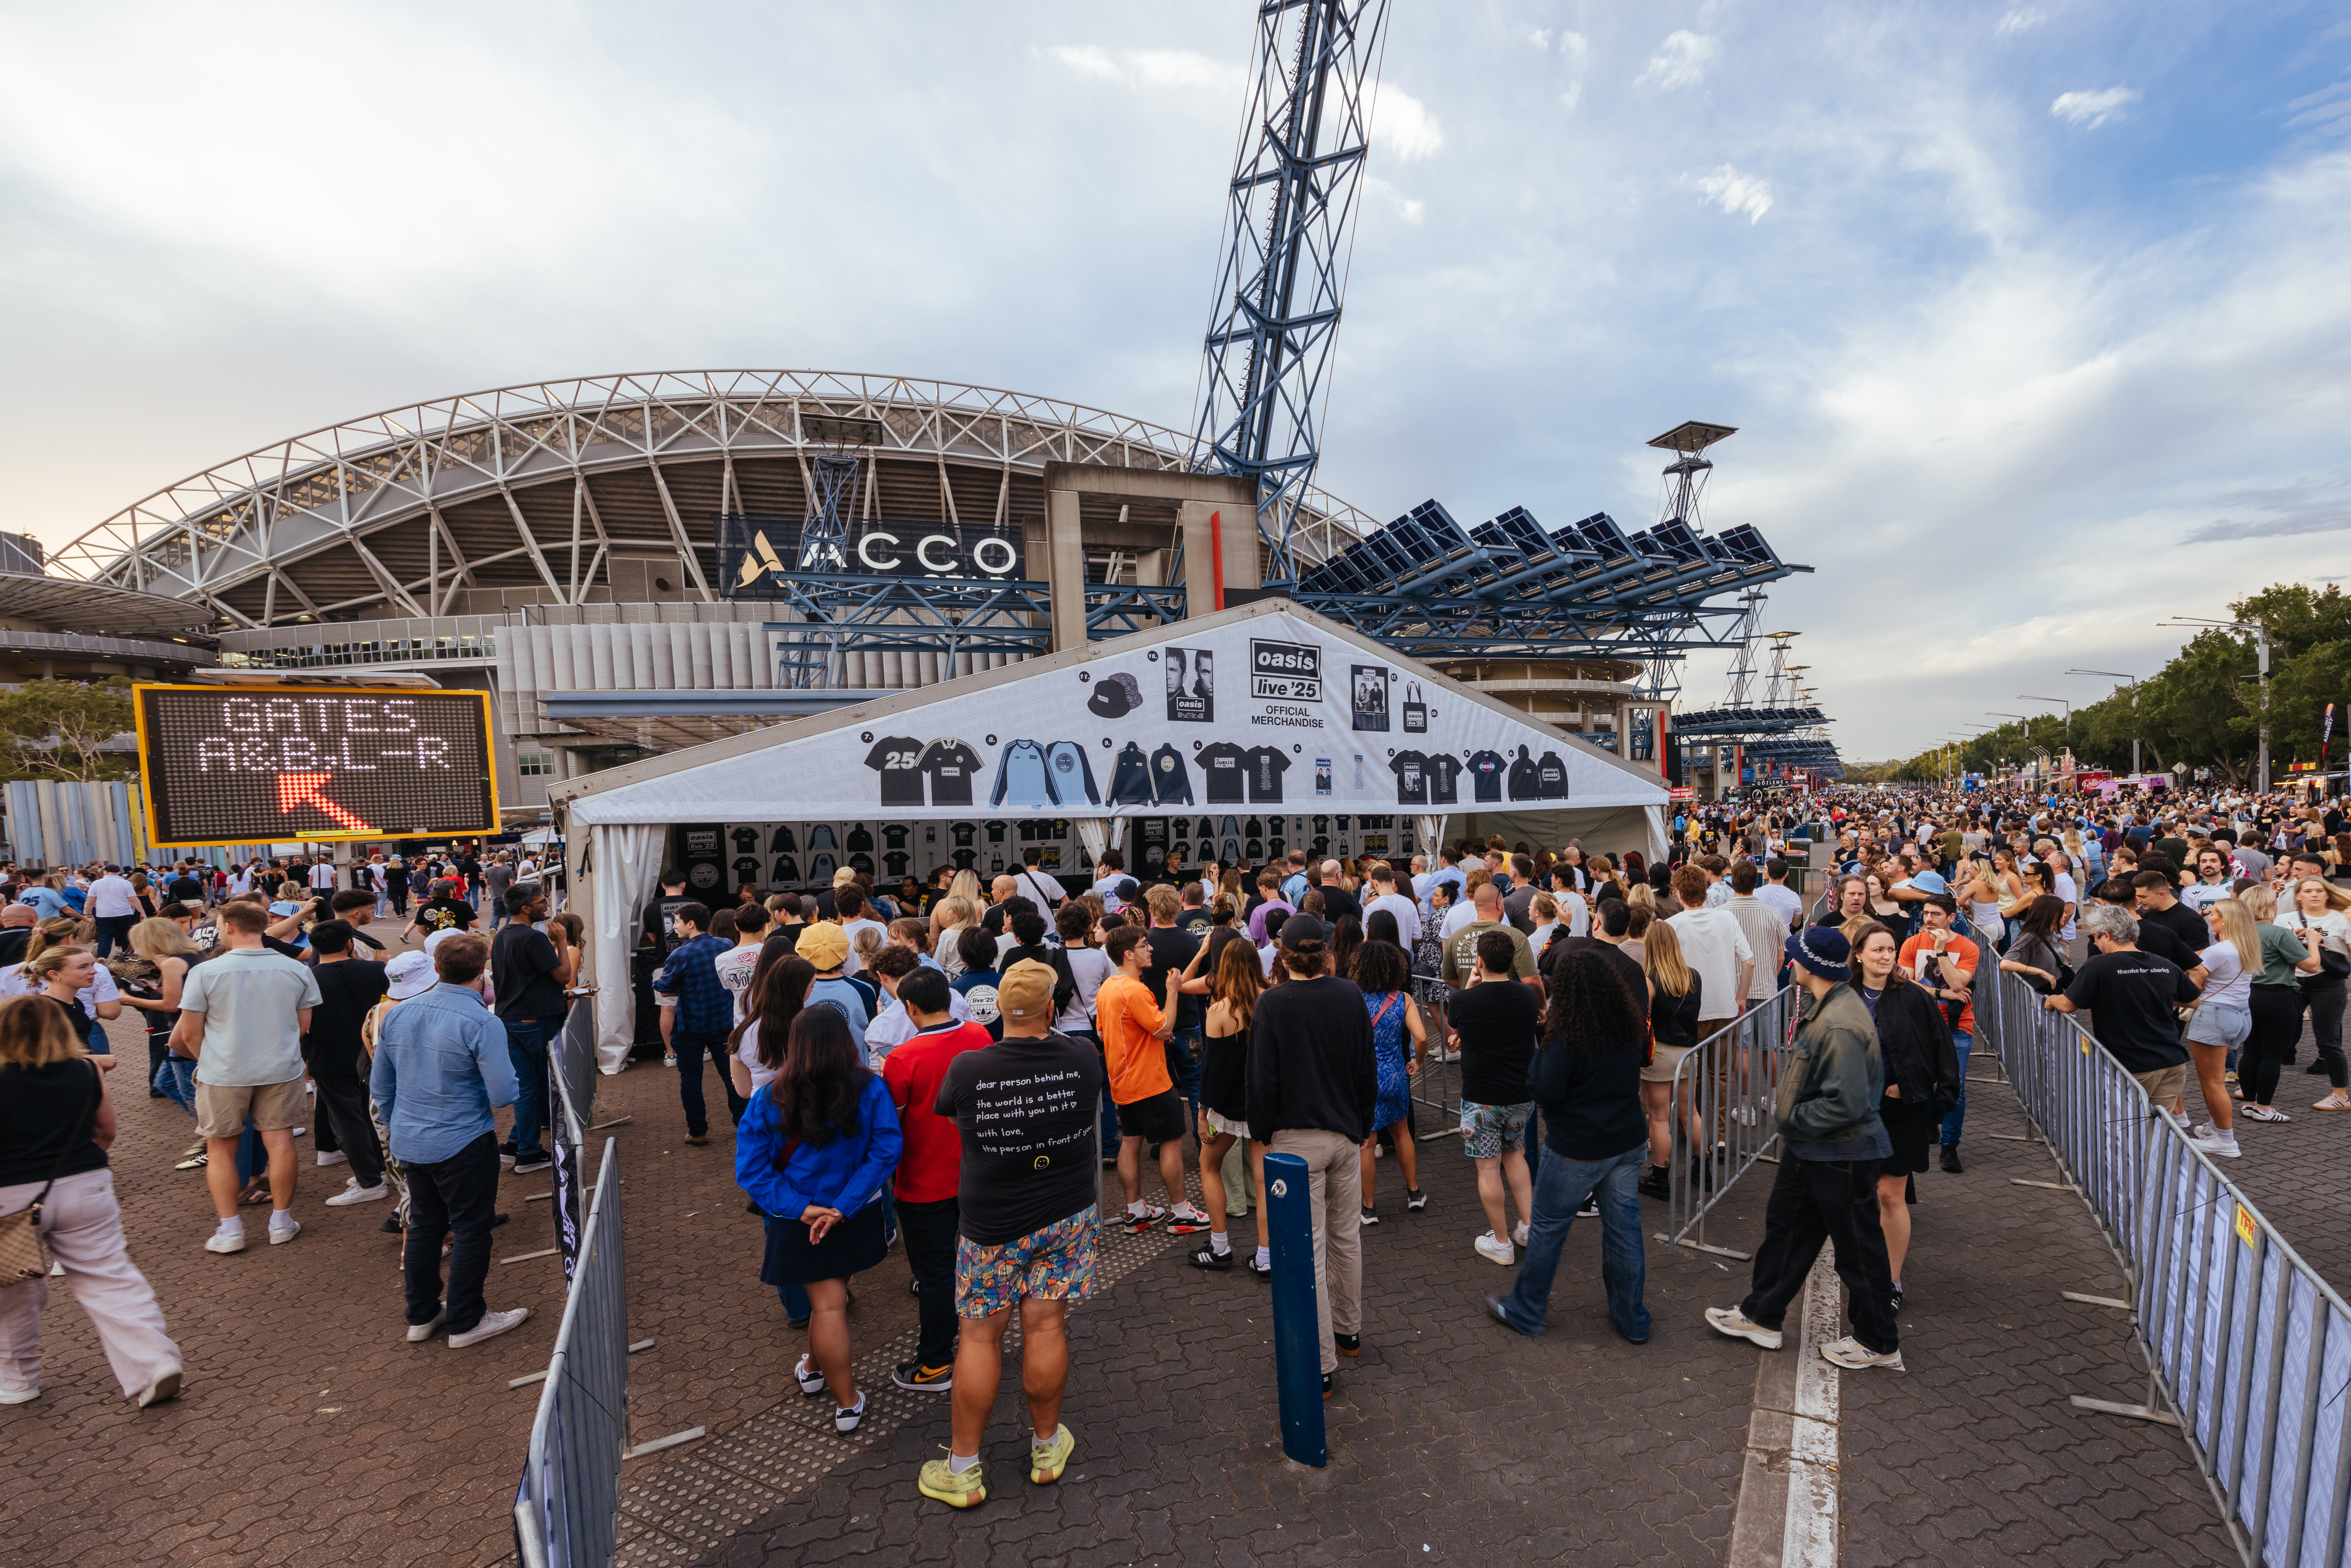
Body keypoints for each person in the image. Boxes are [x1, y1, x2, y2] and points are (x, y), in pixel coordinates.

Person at [917, 960, 1103, 1507]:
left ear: (998, 1008)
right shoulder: (1082, 1057)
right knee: (1046, 1328)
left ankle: (965, 1469)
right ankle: (1046, 1449)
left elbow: (951, 1115)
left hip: (992, 1225)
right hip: (1068, 1215)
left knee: (979, 1336)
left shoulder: (969, 1067)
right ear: (1052, 1008)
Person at [1706, 925, 1903, 1372]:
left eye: (1795, 955)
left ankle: (1879, 1341)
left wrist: (1792, 1120)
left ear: (1812, 965)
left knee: (1857, 1247)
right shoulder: (1831, 1007)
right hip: (1816, 1149)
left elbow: (1848, 1103)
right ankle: (1761, 1316)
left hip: (1839, 1151)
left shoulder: (1838, 1022)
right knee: (1787, 1230)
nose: (1789, 960)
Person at [0, 995, 182, 1408]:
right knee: (109, 1277)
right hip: (84, 1181)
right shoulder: (85, 1068)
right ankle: (153, 1364)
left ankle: (17, 1379)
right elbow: (107, 1130)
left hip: (9, 1195)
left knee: (11, 1291)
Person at [738, 1007, 900, 1436]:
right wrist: (843, 1206)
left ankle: (841, 1396)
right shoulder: (871, 1088)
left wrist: (803, 1209)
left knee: (826, 1304)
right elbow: (885, 1151)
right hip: (855, 1214)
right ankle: (822, 1377)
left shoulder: (770, 1098)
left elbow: (752, 1171)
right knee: (831, 1298)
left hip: (797, 1220)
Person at [371, 933, 533, 1347]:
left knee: (425, 1225)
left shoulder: (397, 1014)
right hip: (462, 1139)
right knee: (471, 1228)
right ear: (482, 973)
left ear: (437, 968)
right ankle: (466, 1318)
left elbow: (382, 1087)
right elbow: (502, 1093)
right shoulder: (482, 1021)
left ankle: (422, 1314)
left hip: (412, 1138)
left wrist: (399, 1125)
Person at [1488, 947, 1652, 1341]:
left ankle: (1527, 1309)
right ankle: (1631, 1318)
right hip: (1627, 1139)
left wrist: (1542, 1048)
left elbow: (1544, 1087)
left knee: (1547, 1226)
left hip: (1579, 1146)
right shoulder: (1627, 1024)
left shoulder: (1568, 1035)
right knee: (1623, 1229)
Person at [1246, 916, 1377, 1396]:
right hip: (1345, 1134)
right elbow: (1366, 1069)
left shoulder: (1272, 1003)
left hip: (1295, 1141)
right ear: (1327, 953)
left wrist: (1262, 1132)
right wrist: (1364, 1126)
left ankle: (1321, 1363)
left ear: (1281, 956)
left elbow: (1262, 1079)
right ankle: (1348, 1331)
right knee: (1346, 1238)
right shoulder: (1348, 995)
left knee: (1310, 1249)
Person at [172, 901, 320, 1254]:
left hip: (223, 1072)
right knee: (281, 1142)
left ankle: (231, 1230)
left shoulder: (206, 972)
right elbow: (303, 1027)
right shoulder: (295, 969)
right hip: (281, 1068)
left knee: (221, 1148)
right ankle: (282, 1223)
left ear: (229, 927)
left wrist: (210, 1060)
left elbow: (189, 1034)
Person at [878, 968, 991, 1393]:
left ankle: (936, 1362)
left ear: (909, 1008)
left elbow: (893, 1124)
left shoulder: (903, 1059)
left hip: (924, 1183)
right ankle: (982, 1342)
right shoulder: (980, 1037)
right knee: (975, 1263)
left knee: (936, 1274)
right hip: (978, 1174)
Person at [1846, 920, 1958, 1315]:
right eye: (1877, 950)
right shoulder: (1842, 997)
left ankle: (1891, 1281)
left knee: (1890, 1194)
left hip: (1899, 1109)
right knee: (1857, 1193)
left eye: (1890, 950)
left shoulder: (1914, 996)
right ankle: (1860, 1264)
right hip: (1851, 1111)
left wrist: (1922, 1094)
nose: (1885, 957)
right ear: (1858, 953)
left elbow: (1940, 1050)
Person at [1096, 925, 1206, 1234]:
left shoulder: (1108, 988)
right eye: (1145, 945)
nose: (1151, 948)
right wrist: (1173, 991)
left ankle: (1135, 1212)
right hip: (1149, 1080)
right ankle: (1181, 1213)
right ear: (1129, 954)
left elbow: (1104, 1032)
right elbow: (1164, 1029)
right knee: (1171, 1141)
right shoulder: (1135, 989)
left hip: (1123, 1080)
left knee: (1130, 1141)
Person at [2046, 903, 2205, 1110]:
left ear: (2108, 935)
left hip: (2131, 1063)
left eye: (2095, 936)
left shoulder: (2098, 965)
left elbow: (2068, 1005)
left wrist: (2051, 999)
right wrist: (2159, 997)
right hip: (2172, 1061)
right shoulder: (2164, 964)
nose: (2094, 941)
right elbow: (2193, 1000)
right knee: (2159, 1129)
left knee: (2124, 1127)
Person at [1449, 929, 1542, 1266]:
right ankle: (1530, 1228)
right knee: (1516, 1155)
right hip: (1521, 1093)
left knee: (1488, 1168)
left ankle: (1501, 1243)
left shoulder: (1462, 1000)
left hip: (1481, 1099)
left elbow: (1457, 1020)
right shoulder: (1527, 996)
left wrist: (1471, 987)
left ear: (1480, 961)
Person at [1186, 937, 1269, 1272]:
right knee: (1265, 1180)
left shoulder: (1219, 1010)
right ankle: (1266, 1256)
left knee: (1209, 1165)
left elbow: (1213, 1070)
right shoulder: (1272, 999)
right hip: (1266, 1103)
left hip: (1231, 1106)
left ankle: (1220, 1246)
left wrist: (1203, 1112)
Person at [303, 920, 391, 1208]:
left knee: (347, 1121)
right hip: (373, 1054)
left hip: (328, 1057)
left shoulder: (308, 978)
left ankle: (370, 1180)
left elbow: (302, 1025)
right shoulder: (376, 970)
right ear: (349, 943)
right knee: (371, 1115)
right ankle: (380, 1170)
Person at [490, 886, 573, 1174]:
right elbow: (564, 976)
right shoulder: (532, 937)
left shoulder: (502, 934)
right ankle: (528, 1151)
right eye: (542, 902)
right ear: (526, 908)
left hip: (511, 1019)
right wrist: (562, 942)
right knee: (536, 1086)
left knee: (526, 1086)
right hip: (535, 1022)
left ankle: (517, 1144)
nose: (546, 905)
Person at [1897, 896, 1979, 1172]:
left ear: (1951, 918)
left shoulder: (1968, 947)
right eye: (1926, 914)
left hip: (1957, 1026)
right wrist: (1941, 992)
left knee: (1955, 1086)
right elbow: (1905, 984)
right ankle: (1930, 1121)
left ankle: (1950, 1146)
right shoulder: (1911, 944)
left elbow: (1958, 982)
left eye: (1935, 914)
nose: (1928, 919)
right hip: (1920, 1023)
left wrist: (1941, 950)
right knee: (1922, 1079)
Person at [2228, 886, 2319, 1123]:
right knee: (2272, 1056)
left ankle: (2249, 1103)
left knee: (2251, 1052)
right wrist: (2312, 942)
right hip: (2278, 998)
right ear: (2271, 906)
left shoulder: (2237, 932)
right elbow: (2311, 966)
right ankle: (2264, 1108)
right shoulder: (2279, 933)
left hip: (2247, 995)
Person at [1350, 937, 1425, 1224]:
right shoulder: (1402, 1000)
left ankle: (1368, 1208)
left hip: (1363, 1078)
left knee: (1367, 1143)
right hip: (1395, 1075)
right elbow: (1420, 1036)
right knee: (1401, 1133)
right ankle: (1414, 1193)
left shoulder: (1352, 998)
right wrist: (1417, 1063)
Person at [654, 902, 738, 1145]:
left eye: (677, 921)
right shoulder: (726, 945)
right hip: (724, 1022)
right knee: (732, 1076)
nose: (674, 926)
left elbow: (664, 987)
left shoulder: (679, 954)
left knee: (691, 1080)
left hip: (690, 1026)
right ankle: (743, 1124)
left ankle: (698, 1131)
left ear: (691, 924)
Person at [2181, 898, 2256, 1158]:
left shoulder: (2219, 951)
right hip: (2240, 1015)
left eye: (2213, 913)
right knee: (2216, 1079)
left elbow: (2193, 985)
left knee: (2212, 1082)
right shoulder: (2247, 946)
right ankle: (2216, 1128)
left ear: (2225, 920)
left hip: (2215, 1016)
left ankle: (2226, 1141)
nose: (2208, 916)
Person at [1636, 919, 1704, 1201]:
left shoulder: (1649, 980)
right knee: (1691, 1114)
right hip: (1690, 1053)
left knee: (1660, 1117)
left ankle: (1660, 1178)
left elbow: (1644, 1021)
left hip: (1661, 1055)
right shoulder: (1694, 976)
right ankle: (1703, 1170)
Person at [2277, 876, 2351, 1106]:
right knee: (2275, 1035)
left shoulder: (2340, 919)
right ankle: (2254, 1082)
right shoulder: (2284, 919)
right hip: (2292, 981)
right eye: (2308, 891)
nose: (2314, 894)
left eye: (2319, 890)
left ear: (2327, 894)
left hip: (2328, 983)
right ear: (2298, 896)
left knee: (2328, 1040)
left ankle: (2340, 1095)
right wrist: (2294, 937)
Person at [85, 866, 139, 959]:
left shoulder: (96, 883)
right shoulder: (126, 883)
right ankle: (127, 955)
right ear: (119, 872)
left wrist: (88, 914)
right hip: (125, 913)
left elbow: (91, 900)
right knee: (127, 935)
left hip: (104, 914)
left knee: (106, 936)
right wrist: (142, 912)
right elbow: (133, 899)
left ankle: (102, 956)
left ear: (105, 872)